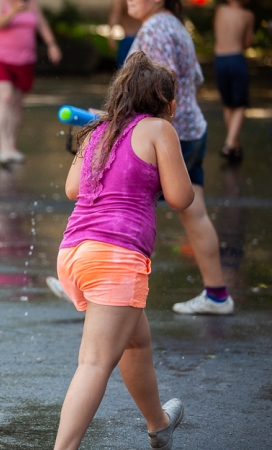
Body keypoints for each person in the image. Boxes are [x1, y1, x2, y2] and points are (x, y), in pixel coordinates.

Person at [54, 51, 192, 450]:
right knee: (95, 362)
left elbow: (72, 189)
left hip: (74, 253)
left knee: (136, 342)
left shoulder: (99, 130)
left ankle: (159, 424)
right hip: (115, 258)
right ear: (165, 101)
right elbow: (182, 197)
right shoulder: (158, 130)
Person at [127, 0, 234, 315]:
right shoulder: (175, 24)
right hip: (191, 129)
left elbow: (159, 86)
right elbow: (194, 79)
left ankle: (94, 287)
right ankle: (217, 295)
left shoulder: (157, 27)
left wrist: (125, 125)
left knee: (120, 202)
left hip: (167, 134)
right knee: (195, 211)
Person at [0, 0, 61, 164]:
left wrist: (51, 44)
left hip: (24, 59)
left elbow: (41, 24)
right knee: (5, 96)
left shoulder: (31, 3)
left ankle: (12, 146)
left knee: (17, 102)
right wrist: (14, 11)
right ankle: (2, 147)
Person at [214, 0, 254, 161]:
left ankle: (235, 146)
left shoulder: (220, 10)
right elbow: (247, 42)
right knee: (240, 104)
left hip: (219, 59)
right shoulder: (247, 15)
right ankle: (230, 143)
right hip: (236, 59)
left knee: (228, 103)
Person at [108, 0, 141, 68]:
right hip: (136, 36)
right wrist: (111, 36)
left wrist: (110, 36)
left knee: (124, 70)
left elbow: (115, 15)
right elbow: (115, 15)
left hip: (131, 37)